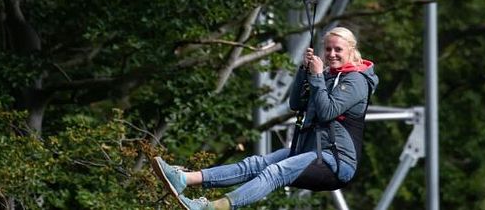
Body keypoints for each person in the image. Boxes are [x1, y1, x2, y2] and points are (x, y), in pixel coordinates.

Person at [151, 26, 379, 210]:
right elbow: (295, 104)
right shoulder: (329, 76)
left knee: (274, 172)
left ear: (351, 50)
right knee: (255, 164)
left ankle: (213, 208)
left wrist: (317, 76)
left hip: (334, 162)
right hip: (310, 151)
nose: (331, 54)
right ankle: (183, 179)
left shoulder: (356, 81)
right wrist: (304, 71)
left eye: (337, 49)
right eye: (327, 49)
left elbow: (328, 111)